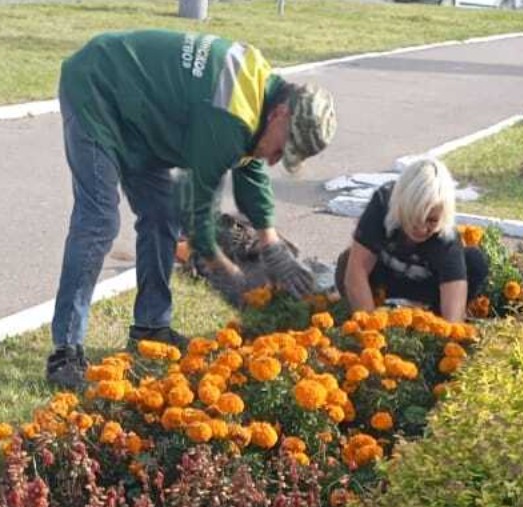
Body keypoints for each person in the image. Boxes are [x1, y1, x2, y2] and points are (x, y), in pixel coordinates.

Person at [46, 30, 337, 388]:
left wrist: (271, 243)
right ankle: (65, 353)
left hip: (142, 114)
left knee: (161, 215)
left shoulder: (260, 92)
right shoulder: (229, 115)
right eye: (283, 150)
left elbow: (250, 163)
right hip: (99, 88)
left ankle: (151, 328)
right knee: (100, 219)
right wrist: (222, 266)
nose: (276, 160)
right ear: (281, 113)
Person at [334, 158, 488, 323]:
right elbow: (357, 270)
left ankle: (427, 316)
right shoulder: (382, 203)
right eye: (415, 217)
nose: (421, 229)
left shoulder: (446, 237)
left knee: (474, 262)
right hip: (387, 281)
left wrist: (442, 336)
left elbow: (453, 319)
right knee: (347, 262)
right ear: (401, 205)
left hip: (427, 290)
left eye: (431, 220)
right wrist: (371, 326)